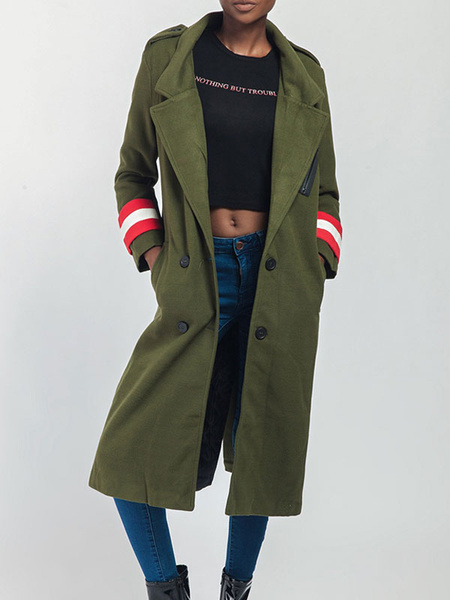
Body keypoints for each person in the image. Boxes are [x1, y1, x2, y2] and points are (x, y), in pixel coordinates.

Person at [89, 1, 342, 598]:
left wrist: (317, 263)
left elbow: (326, 192)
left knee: (263, 445)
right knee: (128, 448)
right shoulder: (169, 58)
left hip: (280, 279)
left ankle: (237, 589)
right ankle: (165, 588)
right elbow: (132, 174)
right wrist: (154, 255)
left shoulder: (305, 76)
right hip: (195, 274)